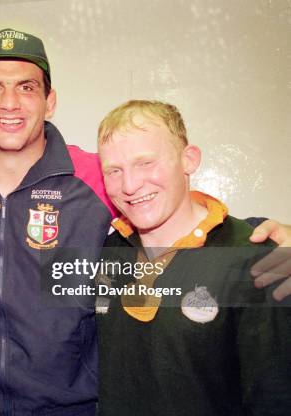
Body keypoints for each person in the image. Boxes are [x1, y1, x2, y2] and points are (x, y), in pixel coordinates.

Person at [0, 28, 291, 415]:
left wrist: (263, 233)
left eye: (27, 87)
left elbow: (172, 207)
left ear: (50, 101)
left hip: (70, 408)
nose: (10, 102)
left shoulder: (93, 175)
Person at [95, 99, 291, 415]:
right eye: (114, 170)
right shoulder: (109, 251)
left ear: (189, 159)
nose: (130, 185)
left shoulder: (257, 260)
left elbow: (275, 397)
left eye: (146, 163)